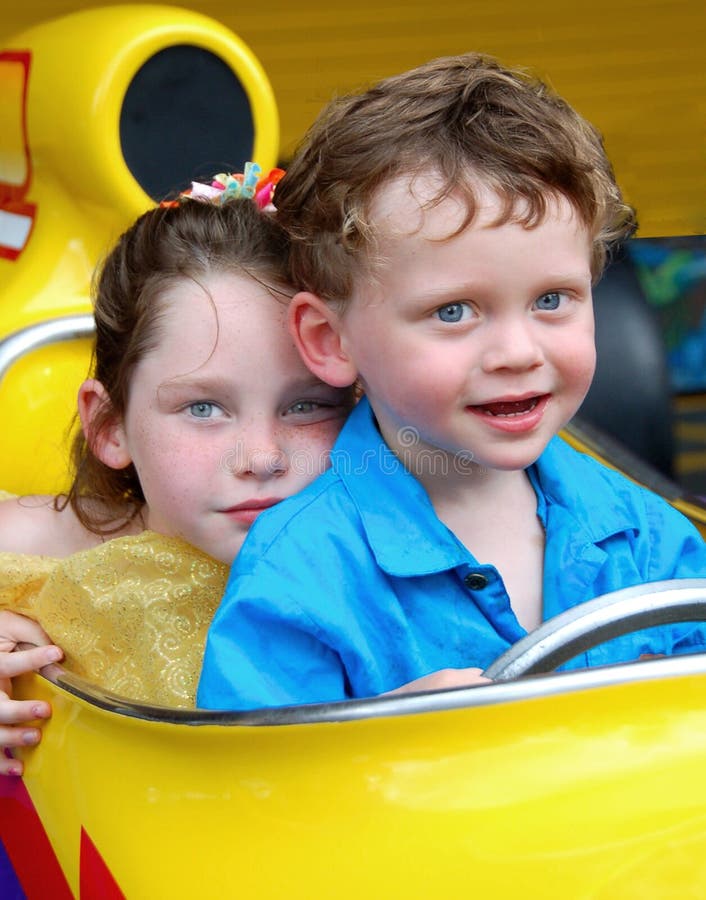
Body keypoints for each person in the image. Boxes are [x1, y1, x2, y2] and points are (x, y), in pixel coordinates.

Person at [197, 53, 706, 711]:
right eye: (454, 311)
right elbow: (244, 795)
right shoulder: (301, 576)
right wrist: (377, 743)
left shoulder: (648, 536)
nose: (518, 352)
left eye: (552, 300)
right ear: (332, 340)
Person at [0, 175, 354, 773]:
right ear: (111, 427)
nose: (263, 457)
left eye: (307, 405)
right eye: (203, 408)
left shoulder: (401, 547)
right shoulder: (42, 547)